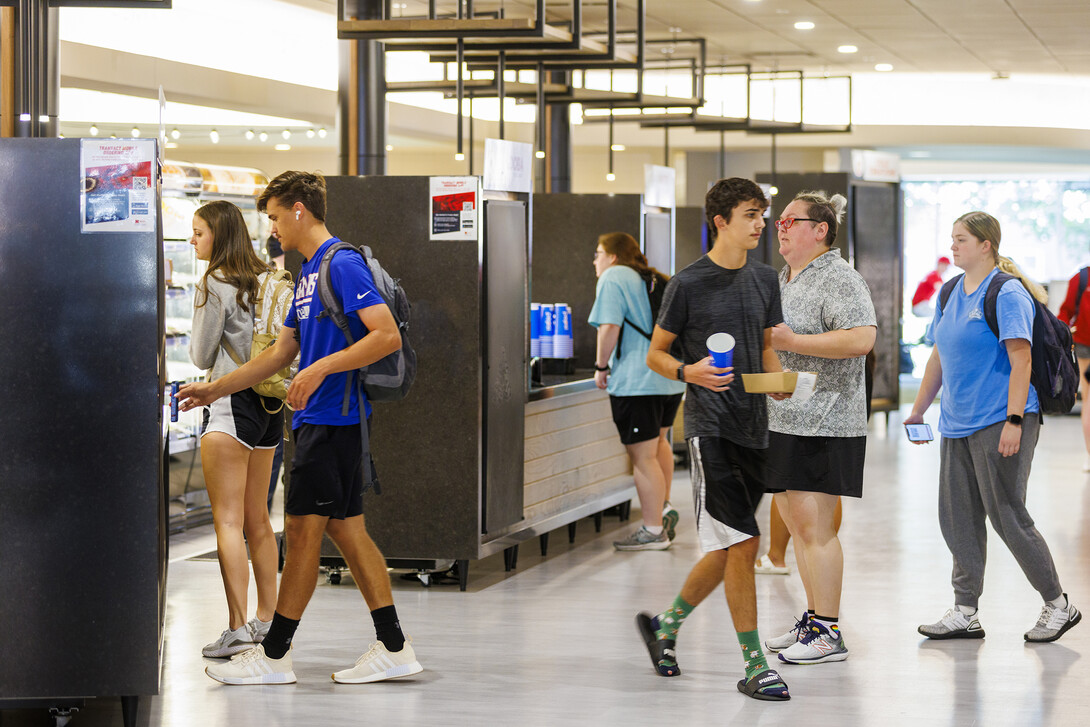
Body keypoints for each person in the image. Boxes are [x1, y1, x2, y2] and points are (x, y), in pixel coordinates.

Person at [178, 171, 424, 685]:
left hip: (335, 421)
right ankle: (395, 647)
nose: (270, 230)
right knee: (348, 534)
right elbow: (281, 351)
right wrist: (214, 390)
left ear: (298, 210)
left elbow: (386, 336)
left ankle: (273, 657)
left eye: (273, 217)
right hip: (316, 423)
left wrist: (321, 369)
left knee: (304, 536)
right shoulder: (307, 272)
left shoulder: (342, 264)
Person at [636, 177, 791, 701]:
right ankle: (754, 665)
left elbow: (766, 349)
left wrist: (781, 387)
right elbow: (655, 354)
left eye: (762, 215)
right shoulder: (688, 283)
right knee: (745, 543)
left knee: (730, 549)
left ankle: (665, 626)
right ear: (720, 221)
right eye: (751, 214)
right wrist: (688, 373)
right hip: (711, 429)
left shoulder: (767, 280)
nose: (761, 224)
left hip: (756, 427)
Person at [907, 211, 1081, 644]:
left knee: (1007, 516)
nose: (953, 246)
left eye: (961, 239)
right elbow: (938, 358)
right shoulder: (950, 292)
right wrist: (918, 410)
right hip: (957, 423)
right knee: (957, 516)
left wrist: (1015, 420)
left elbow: (1021, 359)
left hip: (1001, 419)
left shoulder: (1006, 294)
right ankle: (966, 610)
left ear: (986, 244)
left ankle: (1059, 605)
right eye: (952, 239)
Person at [762, 192, 876, 665]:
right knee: (794, 523)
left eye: (791, 220)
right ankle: (813, 619)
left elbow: (862, 338)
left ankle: (829, 630)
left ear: (820, 229)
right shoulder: (786, 278)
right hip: (787, 416)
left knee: (816, 529)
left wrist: (793, 340)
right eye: (778, 221)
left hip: (826, 420)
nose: (780, 228)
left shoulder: (839, 276)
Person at [186, 200, 283, 659]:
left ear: (218, 236)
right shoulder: (266, 277)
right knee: (259, 518)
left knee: (227, 520)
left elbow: (202, 356)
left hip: (227, 403)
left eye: (199, 232)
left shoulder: (213, 282)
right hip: (268, 404)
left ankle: (235, 626)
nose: (192, 240)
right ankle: (267, 620)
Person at [588, 232, 685, 550]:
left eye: (598, 253)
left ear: (613, 256)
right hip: (668, 377)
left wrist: (602, 367)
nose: (595, 260)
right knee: (658, 444)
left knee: (642, 457)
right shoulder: (653, 278)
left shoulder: (614, 276)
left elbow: (609, 327)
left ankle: (653, 530)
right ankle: (663, 507)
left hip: (636, 381)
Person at [1058, 265, 1090, 471]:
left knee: (1089, 400)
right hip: (1084, 347)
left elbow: (1065, 312)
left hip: (1082, 344)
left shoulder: (1081, 277)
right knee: (1089, 399)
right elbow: (1065, 312)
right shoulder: (1081, 278)